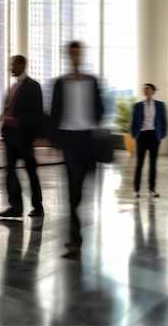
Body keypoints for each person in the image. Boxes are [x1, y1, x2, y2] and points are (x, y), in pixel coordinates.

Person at [50, 41, 104, 260]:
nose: (76, 57)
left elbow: (101, 107)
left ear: (82, 55)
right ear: (68, 56)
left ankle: (75, 232)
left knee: (81, 189)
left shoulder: (92, 81)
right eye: (72, 54)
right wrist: (53, 142)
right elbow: (54, 112)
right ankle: (75, 239)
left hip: (88, 137)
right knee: (73, 187)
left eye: (79, 53)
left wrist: (94, 120)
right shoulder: (60, 83)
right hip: (69, 138)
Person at [0, 55, 44, 218]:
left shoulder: (33, 86)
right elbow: (6, 112)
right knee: (10, 171)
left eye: (13, 65)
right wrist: (3, 133)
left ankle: (37, 206)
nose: (11, 68)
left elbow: (37, 114)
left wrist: (17, 121)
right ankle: (16, 207)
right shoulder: (12, 88)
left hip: (25, 138)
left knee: (30, 172)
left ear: (22, 64)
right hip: (10, 137)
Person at [130, 83, 168, 198]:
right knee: (139, 164)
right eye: (144, 89)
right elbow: (133, 122)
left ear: (153, 91)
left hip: (154, 136)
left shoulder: (160, 105)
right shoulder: (137, 106)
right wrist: (134, 134)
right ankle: (136, 190)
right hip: (142, 136)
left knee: (153, 164)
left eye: (148, 89)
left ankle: (152, 189)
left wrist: (162, 135)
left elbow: (164, 121)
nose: (145, 90)